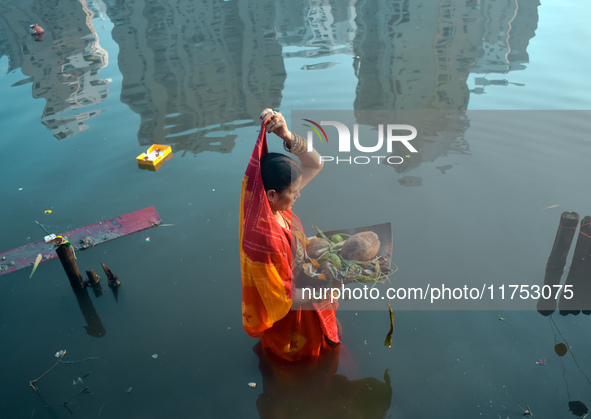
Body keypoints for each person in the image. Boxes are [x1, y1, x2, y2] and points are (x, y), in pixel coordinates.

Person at [240, 108, 340, 362]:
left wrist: (285, 135)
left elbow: (316, 163)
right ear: (272, 194)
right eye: (294, 191)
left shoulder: (270, 206)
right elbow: (280, 297)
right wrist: (330, 284)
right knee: (302, 365)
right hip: (291, 317)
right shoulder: (263, 239)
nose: (299, 195)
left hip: (307, 292)